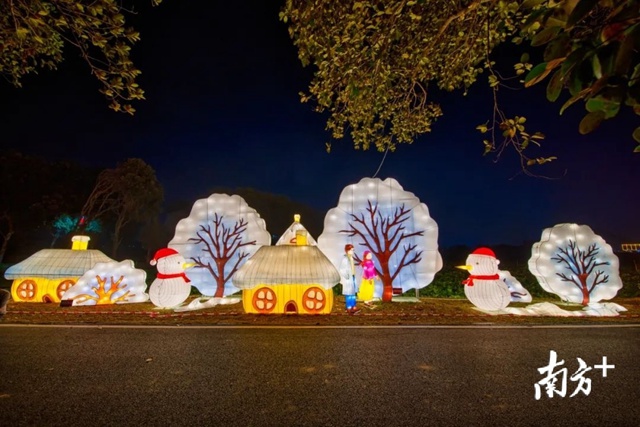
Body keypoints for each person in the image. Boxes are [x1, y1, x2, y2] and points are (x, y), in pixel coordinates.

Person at [339, 244, 360, 314]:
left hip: (352, 277)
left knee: (353, 293)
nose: (352, 251)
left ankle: (353, 306)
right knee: (349, 293)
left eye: (353, 250)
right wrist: (347, 276)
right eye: (351, 250)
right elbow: (342, 269)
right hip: (348, 278)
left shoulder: (351, 258)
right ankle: (349, 307)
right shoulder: (345, 259)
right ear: (347, 250)